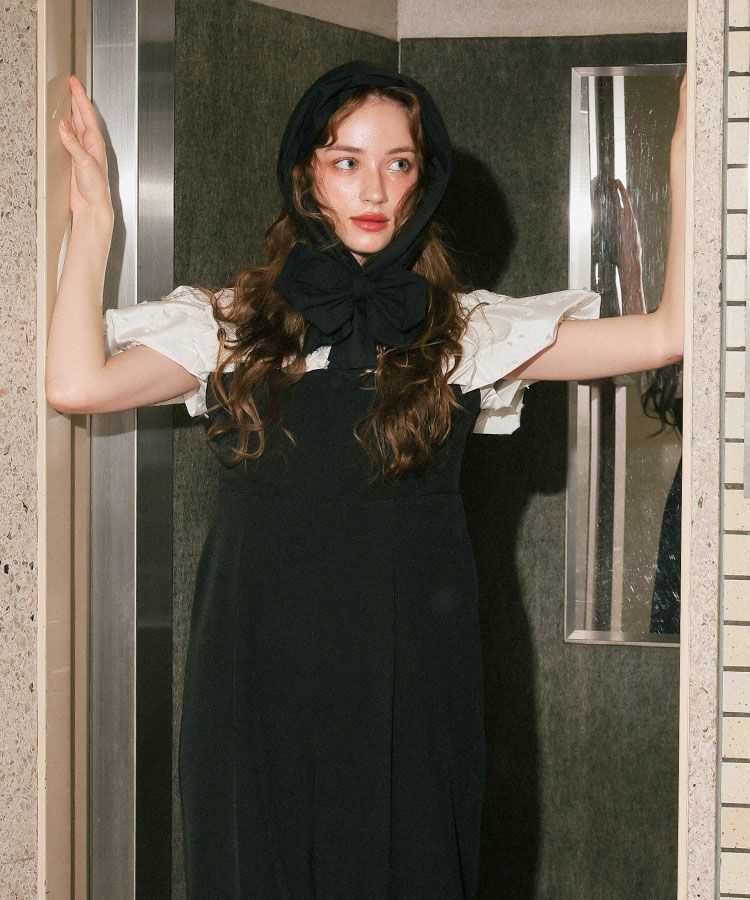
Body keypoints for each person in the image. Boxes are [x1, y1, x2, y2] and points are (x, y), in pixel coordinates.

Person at [46, 60, 686, 898]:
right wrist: (95, 218)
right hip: (257, 672)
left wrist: (692, 143)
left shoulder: (465, 331)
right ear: (307, 175)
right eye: (347, 161)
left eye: (399, 162)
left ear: (426, 177)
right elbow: (75, 385)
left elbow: (667, 334)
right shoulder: (234, 325)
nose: (375, 188)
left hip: (409, 675)